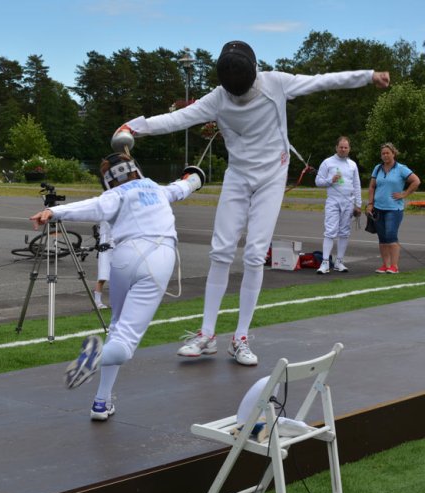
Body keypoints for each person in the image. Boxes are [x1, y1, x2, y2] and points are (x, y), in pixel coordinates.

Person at [113, 40, 390, 366]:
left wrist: (368, 75)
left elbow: (322, 81)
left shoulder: (276, 83)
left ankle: (240, 338)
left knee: (256, 254)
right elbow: (178, 119)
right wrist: (134, 127)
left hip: (272, 177)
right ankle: (207, 335)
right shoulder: (219, 97)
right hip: (238, 176)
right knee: (220, 251)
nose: (238, 95)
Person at [30, 153, 204, 421]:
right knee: (123, 345)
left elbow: (91, 206)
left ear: (109, 179)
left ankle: (101, 402)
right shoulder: (156, 188)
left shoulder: (114, 195)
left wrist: (54, 212)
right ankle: (94, 360)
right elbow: (184, 186)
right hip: (158, 258)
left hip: (123, 258)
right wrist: (195, 176)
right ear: (135, 169)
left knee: (116, 328)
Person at [367, 142, 421, 274]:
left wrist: (404, 194)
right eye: (383, 153)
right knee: (382, 238)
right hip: (378, 208)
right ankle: (385, 265)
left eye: (388, 153)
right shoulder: (377, 168)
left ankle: (394, 266)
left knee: (391, 236)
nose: (385, 155)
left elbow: (416, 181)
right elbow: (372, 186)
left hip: (394, 209)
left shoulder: (401, 168)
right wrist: (370, 204)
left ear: (393, 154)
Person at [315, 136, 362, 274]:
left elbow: (357, 185)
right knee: (330, 230)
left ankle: (339, 261)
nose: (343, 149)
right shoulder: (327, 162)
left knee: (344, 232)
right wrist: (331, 180)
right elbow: (318, 182)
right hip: (333, 201)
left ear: (349, 149)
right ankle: (325, 262)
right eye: (341, 147)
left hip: (349, 202)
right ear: (336, 147)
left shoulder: (352, 164)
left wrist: (358, 204)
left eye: (345, 147)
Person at [92, 221, 113, 310]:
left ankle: (115, 301)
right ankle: (97, 302)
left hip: (117, 245)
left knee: (119, 275)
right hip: (106, 245)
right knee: (103, 275)